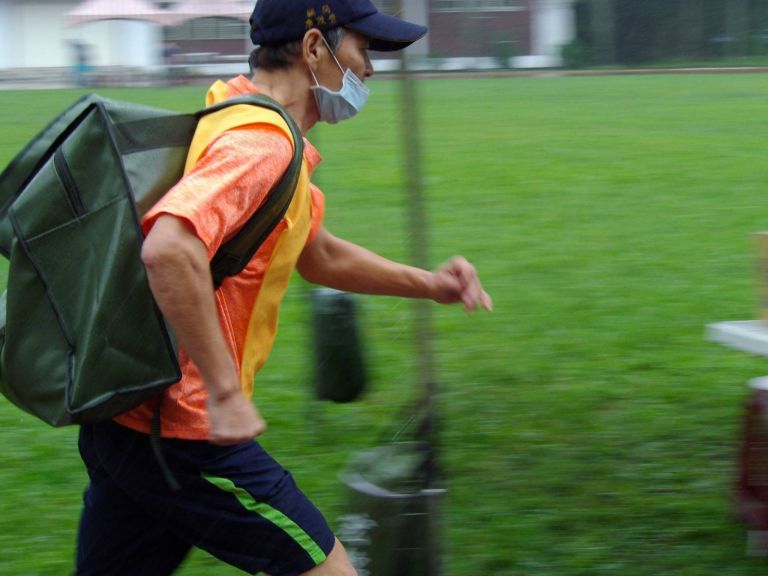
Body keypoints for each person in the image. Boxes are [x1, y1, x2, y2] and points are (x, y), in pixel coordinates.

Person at [74, 1, 492, 575]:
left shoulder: (240, 116)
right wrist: (224, 392)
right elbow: (170, 248)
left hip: (129, 422)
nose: (369, 69)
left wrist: (432, 285)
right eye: (363, 50)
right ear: (315, 48)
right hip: (186, 434)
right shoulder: (261, 147)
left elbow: (315, 252)